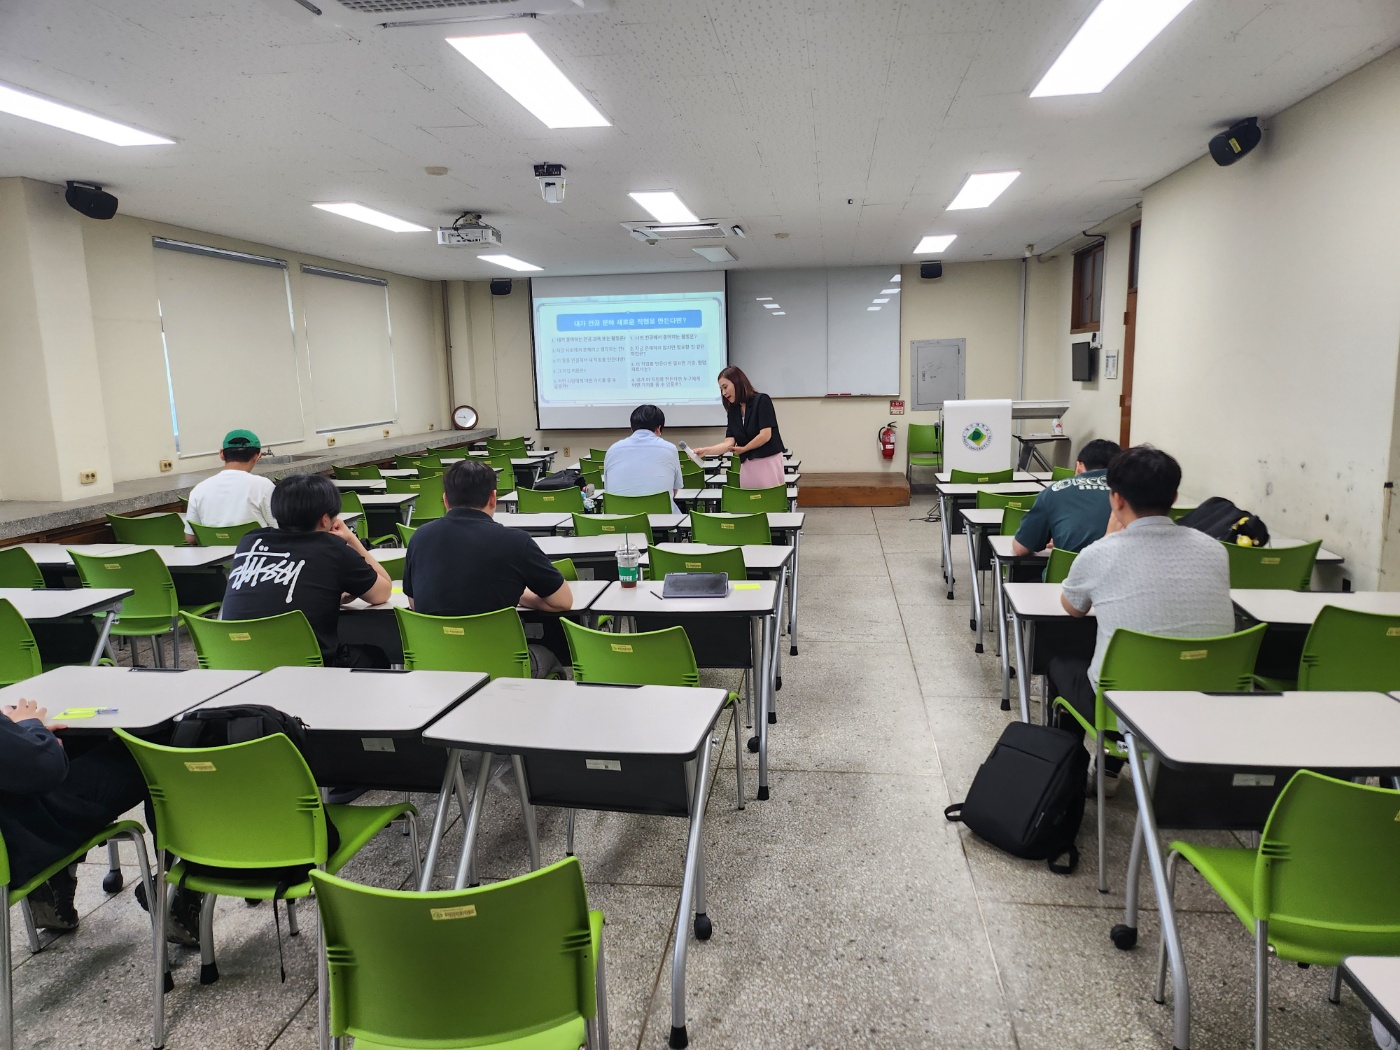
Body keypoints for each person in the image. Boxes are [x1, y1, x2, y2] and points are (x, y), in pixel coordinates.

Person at [1051, 445, 1235, 791]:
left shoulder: (1100, 553)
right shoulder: (1215, 550)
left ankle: (1069, 784)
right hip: (1209, 701)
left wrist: (1108, 538)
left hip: (1123, 709)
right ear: (1174, 496)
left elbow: (1072, 607)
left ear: (1117, 498)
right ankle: (1109, 771)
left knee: (1061, 663)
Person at [402, 460, 571, 677]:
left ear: (445, 500)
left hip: (437, 667)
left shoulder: (419, 538)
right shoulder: (516, 542)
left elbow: (415, 604)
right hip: (502, 668)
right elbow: (563, 601)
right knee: (548, 655)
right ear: (493, 498)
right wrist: (521, 596)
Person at [0, 698, 146, 932]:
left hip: (12, 829)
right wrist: (29, 726)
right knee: (143, 750)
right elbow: (46, 767)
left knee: (73, 742)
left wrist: (18, 736)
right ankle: (180, 895)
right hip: (24, 840)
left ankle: (57, 882)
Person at [220, 473, 393, 667]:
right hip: (305, 668)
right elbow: (383, 591)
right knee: (375, 656)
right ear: (325, 519)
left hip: (236, 663)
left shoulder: (249, 542)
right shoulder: (332, 549)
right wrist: (351, 539)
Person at [1012, 438, 1120, 556]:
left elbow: (1020, 549)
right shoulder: (1129, 491)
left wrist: (1062, 538)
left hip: (1068, 567)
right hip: (1125, 565)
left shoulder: (1054, 491)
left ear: (1078, 465)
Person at [692, 365, 786, 489]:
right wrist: (705, 451)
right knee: (748, 498)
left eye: (725, 387)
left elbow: (765, 435)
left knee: (769, 498)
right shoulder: (733, 411)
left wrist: (744, 448)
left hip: (768, 460)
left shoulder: (761, 400)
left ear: (737, 382)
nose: (723, 393)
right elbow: (728, 443)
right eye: (721, 389)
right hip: (747, 464)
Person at [184, 429, 277, 543]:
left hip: (214, 554)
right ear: (257, 456)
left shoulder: (199, 489)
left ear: (222, 454)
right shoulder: (264, 486)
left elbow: (190, 538)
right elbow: (279, 528)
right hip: (254, 552)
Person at [603, 404, 683, 511]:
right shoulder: (670, 449)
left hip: (619, 518)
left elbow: (609, 490)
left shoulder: (612, 449)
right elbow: (674, 491)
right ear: (659, 428)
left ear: (632, 428)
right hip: (660, 517)